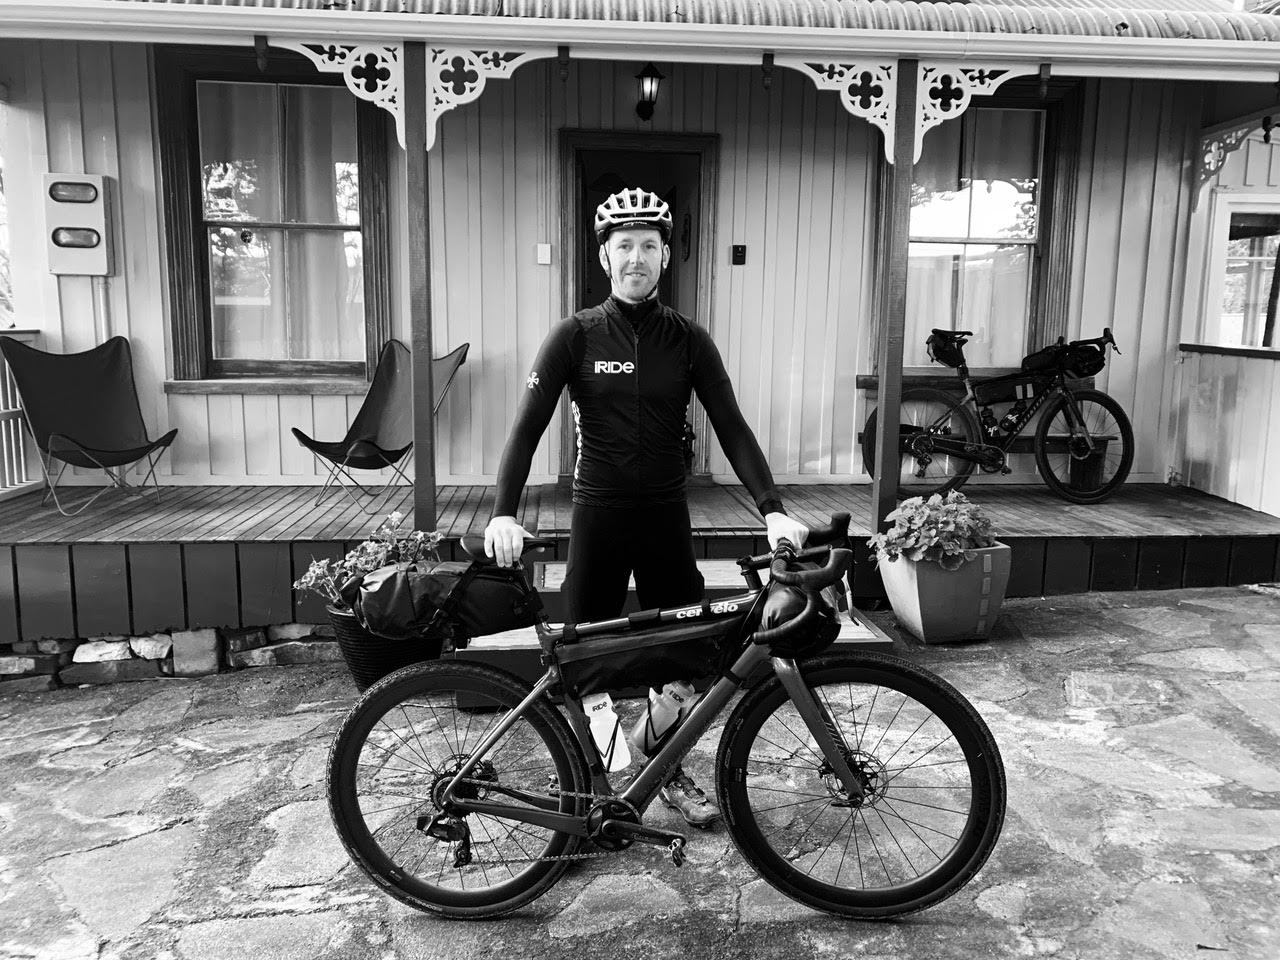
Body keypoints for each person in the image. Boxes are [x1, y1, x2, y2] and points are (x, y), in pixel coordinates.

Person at [485, 187, 807, 826]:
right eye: (624, 245)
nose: (636, 257)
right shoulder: (574, 335)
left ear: (665, 256)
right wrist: (503, 511)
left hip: (665, 515)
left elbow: (731, 425)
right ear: (605, 257)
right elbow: (526, 427)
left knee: (686, 656)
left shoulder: (687, 339)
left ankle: (662, 764)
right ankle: (595, 781)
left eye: (649, 246)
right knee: (586, 659)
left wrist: (771, 507)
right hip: (598, 513)